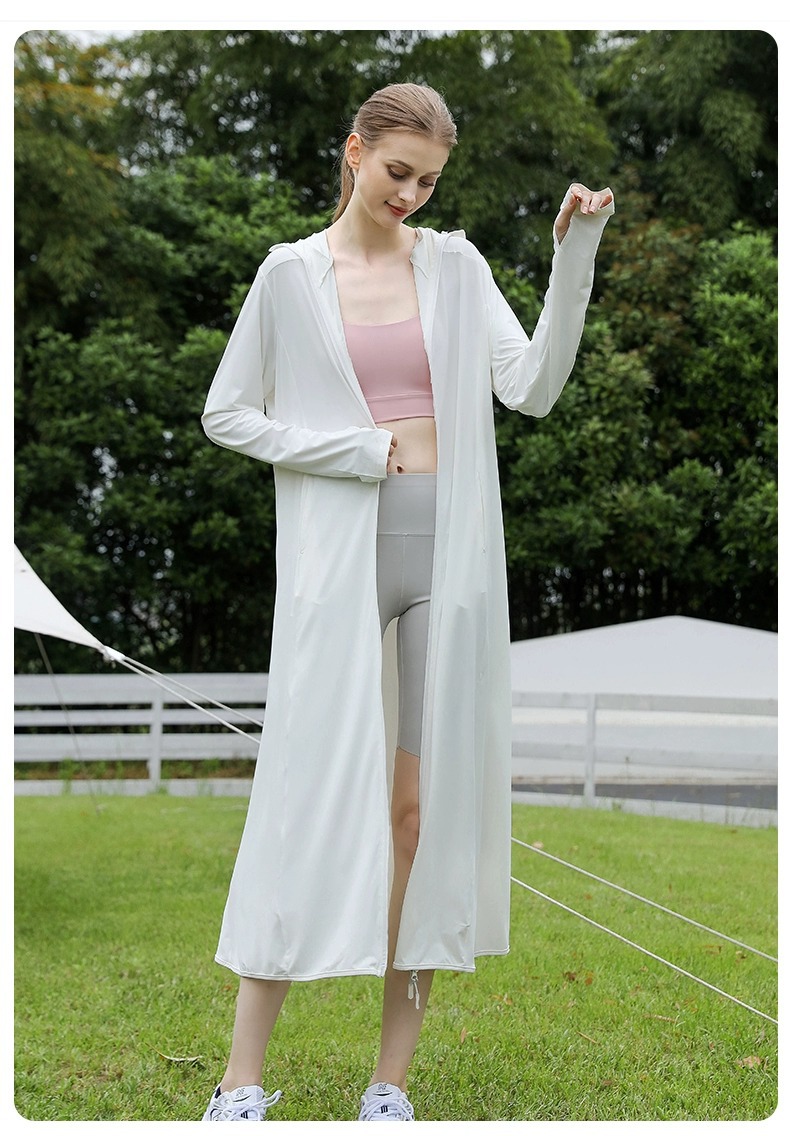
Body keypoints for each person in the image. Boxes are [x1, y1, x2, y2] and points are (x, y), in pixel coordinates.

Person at [200, 82, 614, 1123]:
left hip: (448, 560)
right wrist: (345, 449)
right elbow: (227, 413)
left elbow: (532, 386)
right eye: (397, 172)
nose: (411, 195)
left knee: (418, 817)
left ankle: (389, 1083)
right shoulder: (289, 275)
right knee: (300, 804)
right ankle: (240, 1082)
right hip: (338, 566)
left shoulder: (457, 268)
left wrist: (573, 255)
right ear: (354, 152)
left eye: (428, 181)